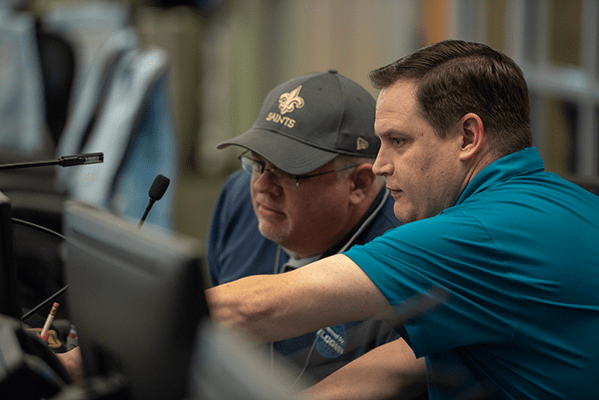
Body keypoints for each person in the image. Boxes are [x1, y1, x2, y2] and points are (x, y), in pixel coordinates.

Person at [206, 39, 599, 399]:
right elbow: (399, 361)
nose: (379, 166)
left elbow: (257, 309)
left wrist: (153, 317)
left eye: (398, 142)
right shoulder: (566, 201)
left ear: (467, 137)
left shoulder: (475, 237)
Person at [208, 70, 416, 387]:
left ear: (358, 184)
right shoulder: (238, 198)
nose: (262, 186)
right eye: (257, 162)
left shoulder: (405, 262)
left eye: (288, 172)